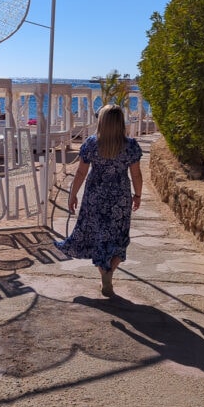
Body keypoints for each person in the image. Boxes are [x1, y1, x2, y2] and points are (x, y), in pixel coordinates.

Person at [54, 104, 143, 297]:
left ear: (101, 121)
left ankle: (104, 273)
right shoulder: (131, 146)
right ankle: (110, 272)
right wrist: (137, 195)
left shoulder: (91, 144)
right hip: (120, 198)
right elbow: (136, 175)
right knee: (119, 238)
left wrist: (72, 194)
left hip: (95, 197)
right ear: (120, 123)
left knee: (98, 237)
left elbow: (80, 173)